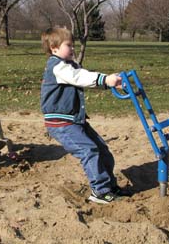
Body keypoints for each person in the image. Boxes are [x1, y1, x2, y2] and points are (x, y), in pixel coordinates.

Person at [40, 27, 130, 204]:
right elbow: (78, 77)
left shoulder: (69, 65)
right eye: (68, 45)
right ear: (54, 48)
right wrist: (105, 79)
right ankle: (100, 191)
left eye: (73, 45)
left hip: (74, 120)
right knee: (88, 150)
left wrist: (110, 83)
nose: (72, 48)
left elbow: (84, 76)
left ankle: (109, 186)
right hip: (61, 123)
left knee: (102, 149)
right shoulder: (57, 66)